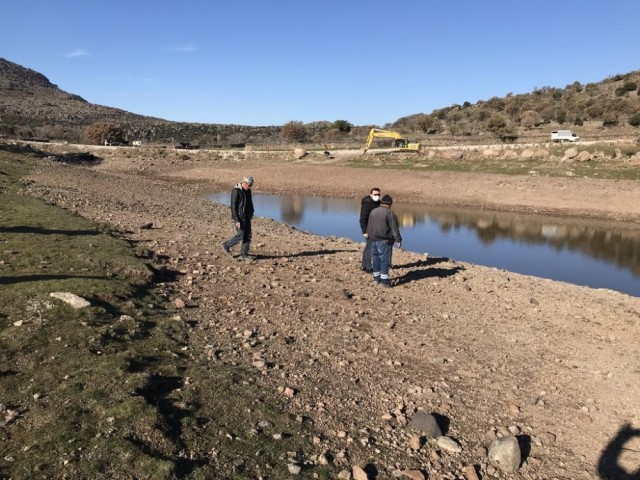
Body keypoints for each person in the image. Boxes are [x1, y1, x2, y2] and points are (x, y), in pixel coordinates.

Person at [366, 194, 402, 287]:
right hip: (384, 240)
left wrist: (369, 238)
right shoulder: (390, 213)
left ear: (382, 202)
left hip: (372, 239)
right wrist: (398, 239)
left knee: (375, 259)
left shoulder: (373, 211)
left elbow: (369, 225)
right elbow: (394, 229)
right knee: (384, 260)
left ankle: (376, 278)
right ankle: (384, 281)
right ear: (390, 204)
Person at [222, 176, 255, 261]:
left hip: (247, 217)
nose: (250, 186)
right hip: (240, 218)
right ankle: (226, 245)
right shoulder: (236, 191)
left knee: (248, 235)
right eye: (249, 184)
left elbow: (250, 203)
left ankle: (244, 254)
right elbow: (233, 207)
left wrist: (251, 212)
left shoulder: (248, 191)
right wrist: (237, 220)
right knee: (240, 235)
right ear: (244, 182)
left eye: (251, 185)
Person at [359, 187, 381, 272]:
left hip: (376, 228)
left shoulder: (379, 203)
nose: (377, 196)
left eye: (379, 194)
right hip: (369, 229)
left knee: (369, 247)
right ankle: (368, 267)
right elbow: (362, 219)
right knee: (370, 247)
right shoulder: (367, 204)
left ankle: (364, 266)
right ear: (371, 194)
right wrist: (364, 231)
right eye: (375, 194)